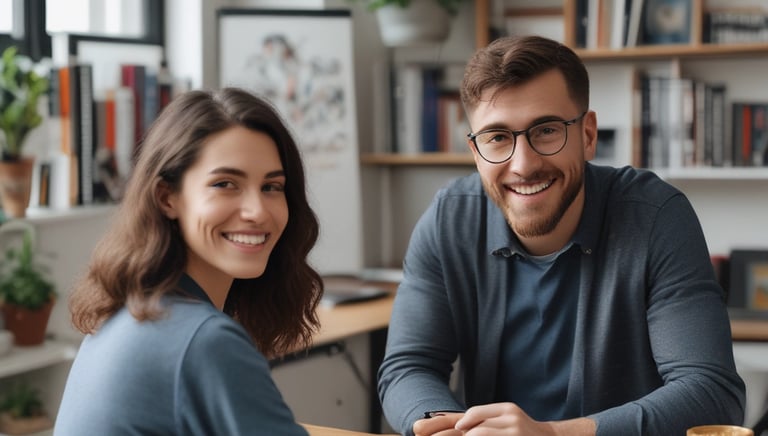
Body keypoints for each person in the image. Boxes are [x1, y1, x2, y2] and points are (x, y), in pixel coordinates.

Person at [377, 35, 746, 436]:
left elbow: (712, 394)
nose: (523, 164)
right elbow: (408, 367)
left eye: (547, 130)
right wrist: (447, 428)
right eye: (497, 137)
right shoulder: (449, 219)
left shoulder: (656, 216)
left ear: (588, 135)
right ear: (475, 150)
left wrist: (552, 434)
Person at [55, 88, 322, 435]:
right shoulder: (205, 340)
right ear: (167, 198)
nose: (257, 211)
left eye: (272, 186)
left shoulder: (130, 314)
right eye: (225, 184)